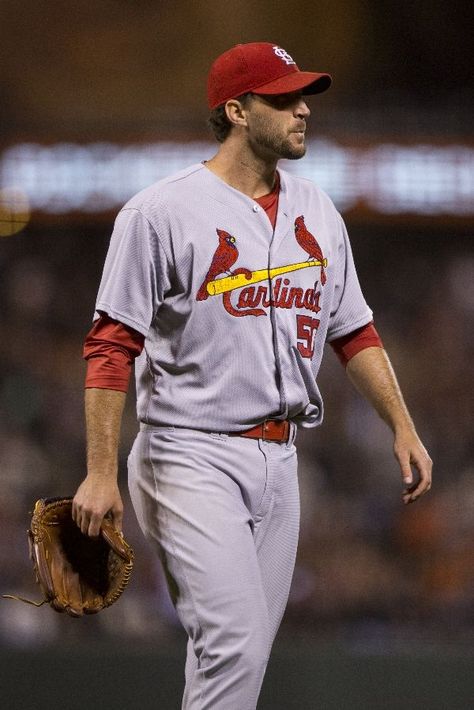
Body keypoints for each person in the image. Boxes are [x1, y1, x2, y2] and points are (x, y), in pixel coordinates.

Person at [72, 42, 432, 709]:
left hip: (280, 461)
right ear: (236, 110)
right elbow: (110, 343)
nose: (302, 110)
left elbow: (353, 330)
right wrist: (99, 470)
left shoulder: (318, 211)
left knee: (235, 664)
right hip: (188, 453)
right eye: (284, 98)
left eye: (304, 96)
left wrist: (402, 426)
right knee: (234, 642)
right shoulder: (161, 212)